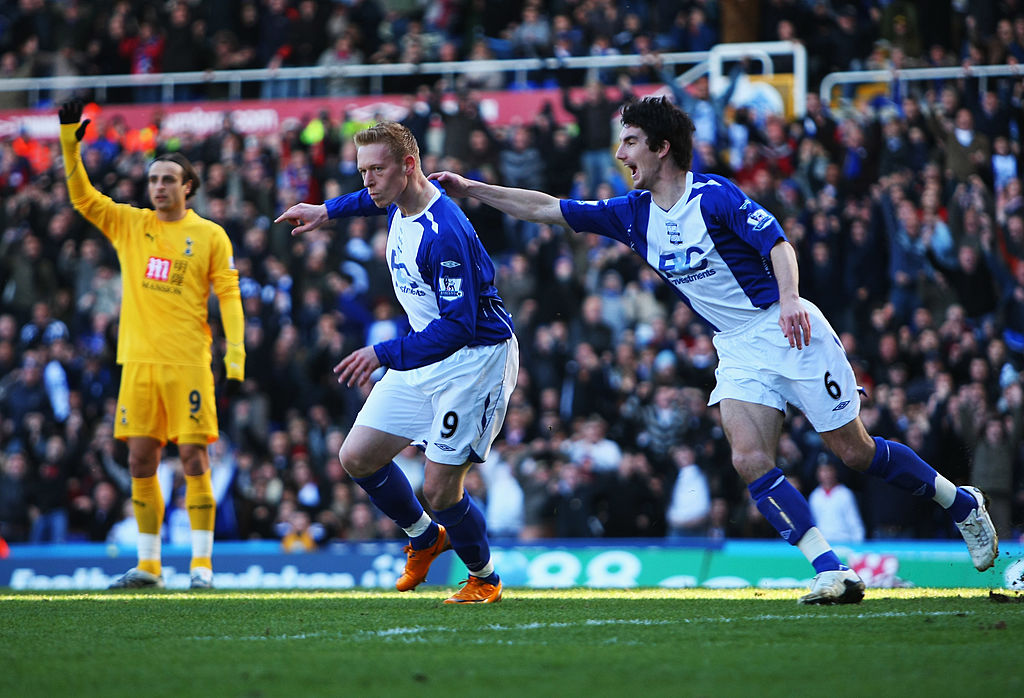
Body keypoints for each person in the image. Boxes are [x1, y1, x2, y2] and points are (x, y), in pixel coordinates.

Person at [430, 96, 999, 605]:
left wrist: (793, 299)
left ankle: (960, 502)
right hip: (737, 348)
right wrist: (474, 190)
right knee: (749, 458)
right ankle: (833, 571)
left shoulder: (715, 195)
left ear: (662, 147)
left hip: (787, 327)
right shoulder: (632, 214)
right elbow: (547, 208)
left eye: (630, 142)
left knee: (855, 452)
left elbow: (776, 241)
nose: (621, 153)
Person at [275, 121, 518, 604]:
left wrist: (382, 353)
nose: (367, 181)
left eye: (376, 170)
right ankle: (426, 539)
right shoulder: (397, 199)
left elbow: (459, 327)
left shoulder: (444, 232)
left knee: (440, 488)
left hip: (475, 361)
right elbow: (370, 199)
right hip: (429, 349)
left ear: (408, 166)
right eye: (361, 170)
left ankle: (484, 577)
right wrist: (326, 210)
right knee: (357, 456)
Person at [57, 99, 245, 590]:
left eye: (167, 180)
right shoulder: (130, 224)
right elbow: (82, 198)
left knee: (194, 459)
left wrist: (236, 353)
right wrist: (68, 142)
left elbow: (228, 294)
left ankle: (201, 567)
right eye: (153, 180)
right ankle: (149, 566)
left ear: (188, 188)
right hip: (137, 362)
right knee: (140, 459)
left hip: (188, 362)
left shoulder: (209, 235)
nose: (158, 187)